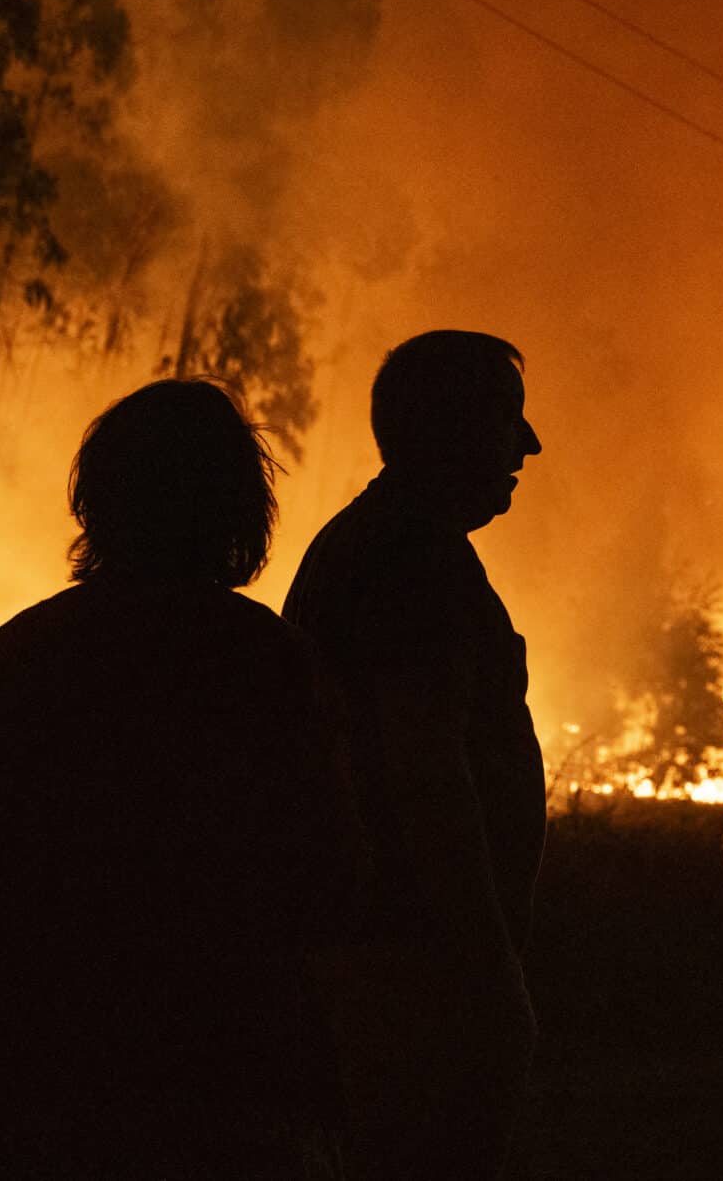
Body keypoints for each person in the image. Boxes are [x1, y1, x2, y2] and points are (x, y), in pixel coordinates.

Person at [0, 379, 356, 1181]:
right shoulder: (271, 664)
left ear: (102, 499)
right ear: (238, 508)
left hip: (30, 1067)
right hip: (224, 1074)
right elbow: (329, 872)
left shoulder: (25, 653)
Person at [282, 330, 546, 1181]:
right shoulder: (413, 560)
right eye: (509, 420)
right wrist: (486, 957)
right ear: (454, 429)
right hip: (412, 958)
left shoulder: (381, 542)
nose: (528, 444)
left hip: (386, 945)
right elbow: (424, 766)